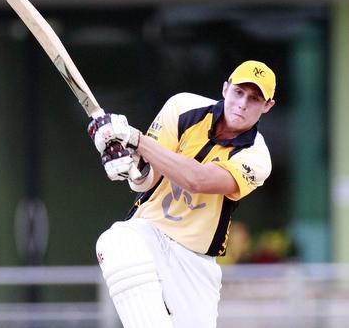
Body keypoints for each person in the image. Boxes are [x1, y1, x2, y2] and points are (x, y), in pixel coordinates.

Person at [87, 60, 276, 328]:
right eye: (239, 92)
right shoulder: (183, 107)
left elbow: (197, 179)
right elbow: (146, 179)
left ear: (267, 106)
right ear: (225, 89)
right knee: (115, 241)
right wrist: (131, 166)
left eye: (255, 98)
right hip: (150, 231)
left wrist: (135, 139)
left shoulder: (257, 158)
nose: (243, 103)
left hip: (195, 261)